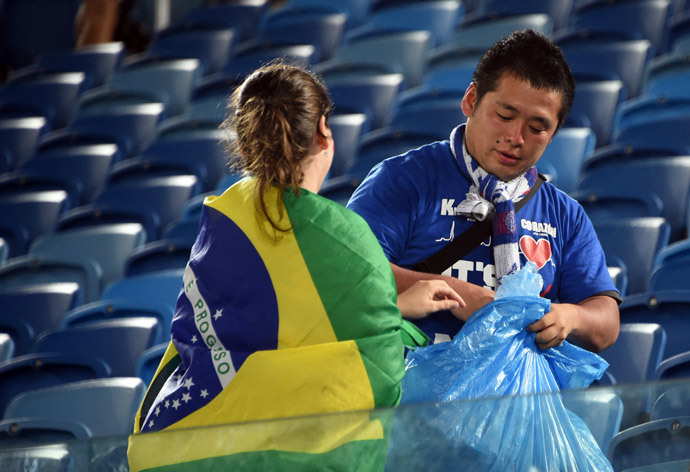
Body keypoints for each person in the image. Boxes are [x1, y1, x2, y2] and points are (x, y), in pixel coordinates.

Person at [129, 61, 462, 471]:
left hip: (185, 446)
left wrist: (401, 306)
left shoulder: (226, 213)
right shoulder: (345, 236)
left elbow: (256, 326)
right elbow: (374, 365)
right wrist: (405, 327)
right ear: (324, 130)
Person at [347, 30, 620, 352]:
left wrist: (569, 316)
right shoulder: (404, 179)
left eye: (537, 128)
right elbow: (349, 270)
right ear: (471, 100)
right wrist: (448, 290)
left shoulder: (565, 214)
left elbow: (606, 324)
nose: (516, 137)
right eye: (505, 116)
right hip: (408, 392)